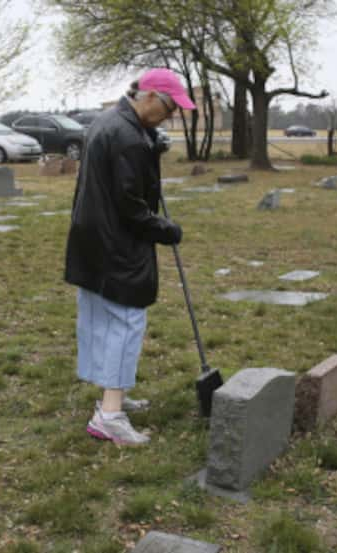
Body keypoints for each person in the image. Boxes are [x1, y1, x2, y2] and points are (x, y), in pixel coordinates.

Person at [65, 69, 196, 446]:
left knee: (100, 319)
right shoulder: (127, 137)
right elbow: (131, 207)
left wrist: (150, 143)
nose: (169, 115)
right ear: (150, 96)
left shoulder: (109, 121)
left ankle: (112, 393)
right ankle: (109, 416)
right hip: (115, 244)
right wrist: (165, 229)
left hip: (91, 237)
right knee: (126, 321)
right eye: (169, 107)